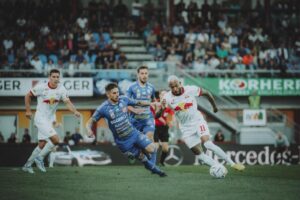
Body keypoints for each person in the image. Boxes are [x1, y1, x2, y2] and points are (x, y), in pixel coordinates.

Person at [163, 75, 245, 171]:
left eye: (176, 85)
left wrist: (214, 107)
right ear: (169, 87)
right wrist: (161, 108)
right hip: (185, 128)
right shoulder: (167, 97)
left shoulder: (190, 89)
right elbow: (162, 108)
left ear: (180, 83)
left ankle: (233, 164)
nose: (175, 89)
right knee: (199, 154)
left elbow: (207, 93)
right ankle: (219, 167)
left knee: (208, 144)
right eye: (172, 87)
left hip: (197, 121)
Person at [85, 83, 166, 177]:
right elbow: (90, 121)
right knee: (143, 158)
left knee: (153, 148)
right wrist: (88, 129)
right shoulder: (103, 108)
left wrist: (151, 103)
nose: (117, 94)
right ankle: (154, 169)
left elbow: (138, 102)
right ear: (108, 94)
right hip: (123, 142)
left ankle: (154, 168)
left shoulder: (124, 99)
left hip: (134, 133)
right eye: (114, 93)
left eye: (117, 92)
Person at [22, 69, 81, 174]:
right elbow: (27, 96)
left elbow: (67, 102)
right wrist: (27, 110)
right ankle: (39, 158)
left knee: (42, 144)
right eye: (53, 77)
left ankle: (27, 165)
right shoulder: (41, 87)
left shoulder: (61, 89)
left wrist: (75, 111)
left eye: (57, 77)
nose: (55, 79)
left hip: (48, 120)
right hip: (40, 118)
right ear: (49, 77)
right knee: (56, 139)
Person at [126, 66, 156, 163]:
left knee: (150, 137)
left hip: (148, 119)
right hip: (134, 120)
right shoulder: (132, 88)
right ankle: (139, 152)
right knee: (137, 143)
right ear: (138, 74)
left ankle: (153, 164)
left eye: (146, 73)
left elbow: (154, 100)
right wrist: (134, 110)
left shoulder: (151, 87)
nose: (144, 75)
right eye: (142, 73)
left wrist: (157, 106)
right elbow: (126, 104)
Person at [153, 90, 174, 166]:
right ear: (160, 96)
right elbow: (156, 115)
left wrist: (170, 122)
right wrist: (164, 121)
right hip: (156, 128)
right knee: (156, 146)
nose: (164, 96)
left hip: (164, 129)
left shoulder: (169, 108)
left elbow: (169, 119)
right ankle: (152, 163)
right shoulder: (157, 105)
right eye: (162, 95)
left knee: (165, 149)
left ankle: (161, 162)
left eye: (166, 95)